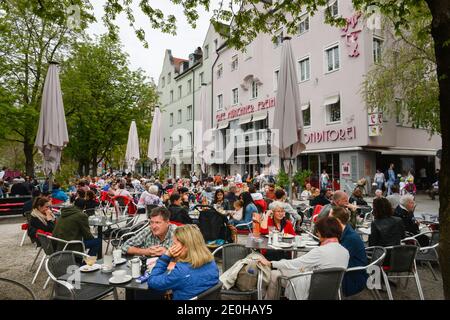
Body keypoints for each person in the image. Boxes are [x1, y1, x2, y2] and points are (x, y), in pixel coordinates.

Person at [258, 217, 349, 300]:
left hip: (310, 289)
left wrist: (270, 263)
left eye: (317, 231)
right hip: (330, 291)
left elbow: (295, 264)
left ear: (322, 232)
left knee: (275, 273)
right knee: (280, 269)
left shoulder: (320, 251)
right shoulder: (345, 252)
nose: (317, 233)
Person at [147, 224, 219, 300]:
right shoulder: (212, 263)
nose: (172, 246)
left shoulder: (181, 272)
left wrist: (166, 256)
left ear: (185, 246)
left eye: (174, 244)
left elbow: (152, 282)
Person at [329, 207, 368, 297]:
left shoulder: (350, 238)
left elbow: (335, 259)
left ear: (337, 220)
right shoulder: (344, 231)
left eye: (329, 217)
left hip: (351, 277)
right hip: (347, 270)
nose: (327, 219)